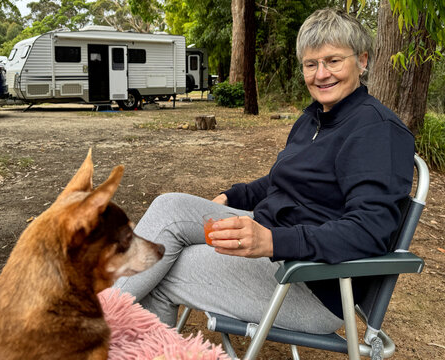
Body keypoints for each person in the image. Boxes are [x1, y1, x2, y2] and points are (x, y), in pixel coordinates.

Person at [115, 8, 415, 334]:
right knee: (170, 207)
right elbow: (281, 180)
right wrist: (235, 195)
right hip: (272, 236)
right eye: (311, 64)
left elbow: (370, 231)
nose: (321, 74)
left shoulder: (376, 130)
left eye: (333, 61)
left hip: (310, 282)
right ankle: (94, 316)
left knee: (163, 270)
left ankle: (86, 328)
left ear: (363, 60)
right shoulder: (314, 118)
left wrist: (273, 241)